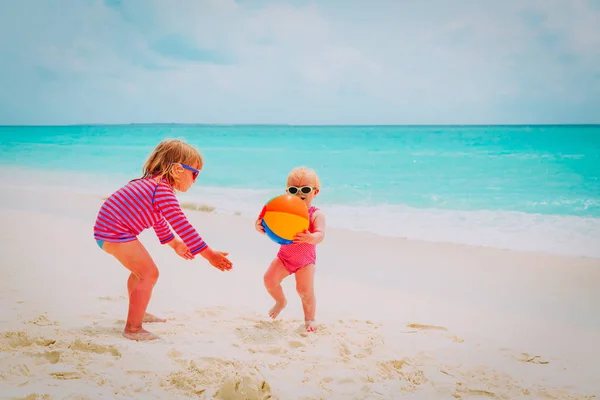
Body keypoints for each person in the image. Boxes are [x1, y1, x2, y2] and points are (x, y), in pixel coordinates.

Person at [93, 139, 233, 341]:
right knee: (148, 274)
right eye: (195, 173)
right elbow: (183, 226)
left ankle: (138, 313)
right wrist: (210, 255)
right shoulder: (161, 190)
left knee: (139, 273)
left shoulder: (153, 186)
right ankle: (133, 328)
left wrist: (175, 244)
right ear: (177, 170)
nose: (195, 180)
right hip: (114, 233)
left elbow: (158, 220)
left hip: (108, 232)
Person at [255, 167, 326, 332]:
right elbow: (267, 221)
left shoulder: (315, 214)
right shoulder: (283, 210)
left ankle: (310, 319)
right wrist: (259, 226)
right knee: (269, 280)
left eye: (305, 189)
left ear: (315, 192)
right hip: (285, 257)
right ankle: (281, 301)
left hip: (305, 261)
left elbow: (320, 235)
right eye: (294, 190)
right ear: (287, 192)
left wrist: (311, 237)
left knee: (304, 291)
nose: (299, 193)